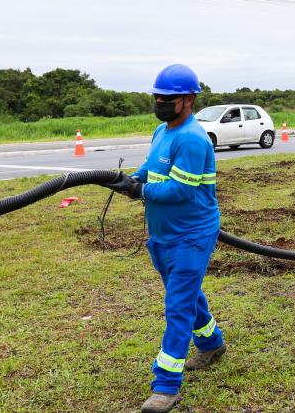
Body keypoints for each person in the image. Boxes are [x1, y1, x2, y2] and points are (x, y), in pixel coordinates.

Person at [101, 64, 225, 413]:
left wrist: (139, 190)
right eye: (157, 96)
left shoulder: (192, 138)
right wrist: (131, 179)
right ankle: (212, 343)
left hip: (191, 235)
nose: (160, 102)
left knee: (177, 305)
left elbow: (179, 191)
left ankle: (165, 386)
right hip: (163, 234)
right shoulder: (162, 131)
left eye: (168, 98)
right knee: (184, 294)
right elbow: (153, 170)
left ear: (188, 99)